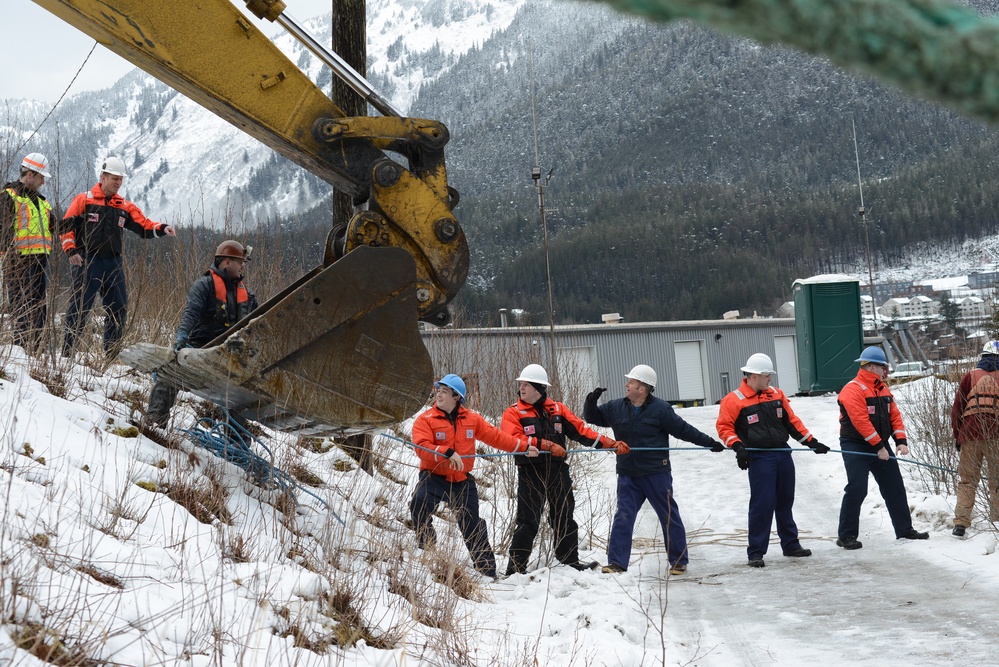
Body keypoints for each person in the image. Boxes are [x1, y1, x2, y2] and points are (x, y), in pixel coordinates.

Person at [584, 364, 724, 576]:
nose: (626, 384)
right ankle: (616, 563)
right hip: (628, 474)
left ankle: (678, 561)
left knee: (668, 515)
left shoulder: (660, 409)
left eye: (630, 382)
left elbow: (683, 430)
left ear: (642, 388)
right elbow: (592, 417)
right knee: (623, 516)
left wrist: (709, 442)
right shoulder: (616, 407)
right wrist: (591, 400)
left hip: (656, 473)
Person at [410, 373, 552, 579]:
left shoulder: (472, 419)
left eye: (444, 392)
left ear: (456, 397)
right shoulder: (425, 420)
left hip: (462, 481)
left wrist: (525, 447)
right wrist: (446, 452)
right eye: (438, 391)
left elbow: (498, 438)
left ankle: (487, 571)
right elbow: (421, 447)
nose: (438, 395)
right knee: (418, 503)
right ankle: (427, 543)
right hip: (433, 477)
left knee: (472, 523)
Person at [500, 363, 630, 575]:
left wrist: (612, 444)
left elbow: (583, 432)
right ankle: (515, 569)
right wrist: (546, 445)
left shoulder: (557, 409)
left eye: (526, 384)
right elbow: (512, 439)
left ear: (539, 388)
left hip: (558, 471)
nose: (521, 388)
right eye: (521, 384)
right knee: (528, 520)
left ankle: (569, 561)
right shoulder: (513, 413)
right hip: (530, 473)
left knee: (564, 515)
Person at [716, 353, 830, 568]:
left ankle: (790, 544)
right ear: (754, 376)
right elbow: (724, 427)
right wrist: (738, 447)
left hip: (782, 454)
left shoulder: (776, 394)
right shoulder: (734, 400)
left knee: (785, 501)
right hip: (759, 458)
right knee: (762, 504)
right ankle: (756, 551)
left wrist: (811, 442)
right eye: (767, 375)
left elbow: (792, 422)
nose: (770, 379)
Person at [60, 156, 176, 357]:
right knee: (79, 308)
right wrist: (71, 250)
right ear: (103, 177)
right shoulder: (84, 199)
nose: (118, 183)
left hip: (113, 262)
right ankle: (67, 354)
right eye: (114, 178)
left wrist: (162, 228)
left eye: (120, 179)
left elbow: (143, 225)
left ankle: (111, 355)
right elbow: (65, 227)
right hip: (87, 260)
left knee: (118, 308)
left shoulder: (123, 206)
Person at [145, 241, 258, 427]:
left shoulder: (248, 296)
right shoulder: (204, 285)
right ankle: (155, 423)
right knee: (170, 373)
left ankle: (236, 448)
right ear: (227, 262)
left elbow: (258, 324)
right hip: (200, 347)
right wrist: (181, 336)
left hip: (230, 354)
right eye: (240, 262)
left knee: (238, 393)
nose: (243, 266)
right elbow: (191, 312)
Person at [836, 346, 928, 549]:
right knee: (857, 489)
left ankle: (904, 530)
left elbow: (894, 415)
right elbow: (860, 421)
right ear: (870, 367)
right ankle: (846, 535)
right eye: (882, 367)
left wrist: (900, 441)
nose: (885, 371)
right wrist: (879, 447)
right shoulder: (853, 389)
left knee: (894, 487)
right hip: (856, 444)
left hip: (880, 444)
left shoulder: (882, 389)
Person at [0, 153, 57, 352]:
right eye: (41, 177)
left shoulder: (40, 202)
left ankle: (34, 353)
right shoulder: (9, 197)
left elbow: (55, 226)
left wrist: (80, 221)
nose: (43, 182)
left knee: (39, 311)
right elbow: (2, 230)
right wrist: (8, 259)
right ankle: (20, 355)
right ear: (30, 174)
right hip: (18, 263)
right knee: (22, 312)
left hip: (40, 262)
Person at [949, 340, 999, 537]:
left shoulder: (970, 376)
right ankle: (997, 522)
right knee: (997, 481)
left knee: (967, 481)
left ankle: (960, 523)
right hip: (996, 436)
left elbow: (957, 411)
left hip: (969, 435)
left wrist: (957, 436)